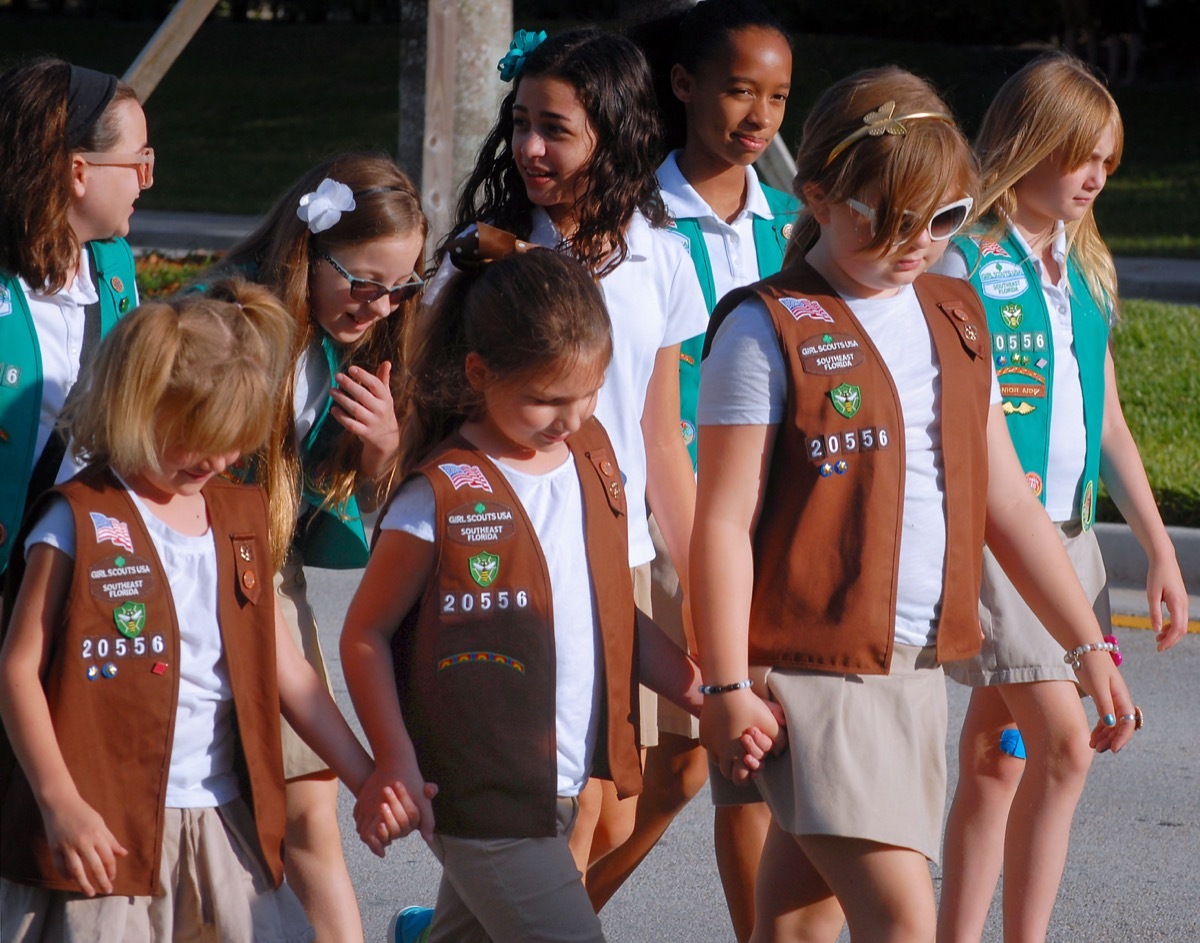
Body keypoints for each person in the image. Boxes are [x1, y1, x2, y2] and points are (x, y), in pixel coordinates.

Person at [691, 66, 1137, 943]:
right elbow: (721, 523)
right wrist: (726, 684)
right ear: (817, 195)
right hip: (815, 676)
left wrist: (1086, 645)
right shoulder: (764, 327)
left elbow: (1008, 500)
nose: (919, 244)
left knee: (797, 925)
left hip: (914, 670)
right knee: (902, 919)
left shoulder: (955, 313)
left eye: (943, 220)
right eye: (892, 222)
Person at [341, 245, 753, 943]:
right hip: (480, 793)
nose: (570, 416)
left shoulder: (591, 459)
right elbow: (364, 633)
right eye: (546, 399)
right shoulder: (437, 495)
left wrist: (706, 693)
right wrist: (393, 758)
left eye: (588, 394)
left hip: (557, 784)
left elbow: (614, 618)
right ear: (479, 373)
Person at [0, 282, 392, 943]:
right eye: (197, 441)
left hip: (221, 820)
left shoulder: (237, 519)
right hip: (107, 829)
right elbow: (17, 672)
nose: (216, 461)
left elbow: (289, 674)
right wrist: (60, 802)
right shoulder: (79, 520)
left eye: (233, 443)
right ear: (137, 407)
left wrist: (367, 775)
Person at [434, 26, 708, 875]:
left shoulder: (662, 259)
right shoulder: (487, 254)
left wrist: (707, 589)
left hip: (620, 553)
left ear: (615, 130)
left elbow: (662, 440)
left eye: (554, 127)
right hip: (524, 548)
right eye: (519, 122)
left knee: (619, 813)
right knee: (572, 808)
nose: (527, 147)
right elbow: (439, 402)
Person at [934, 53, 1189, 943]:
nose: (1093, 178)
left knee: (994, 759)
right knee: (1066, 744)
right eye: (1079, 155)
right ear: (1026, 142)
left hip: (1075, 537)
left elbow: (1110, 419)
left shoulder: (1079, 266)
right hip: (1003, 538)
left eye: (1107, 164)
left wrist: (1157, 549)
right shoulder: (964, 258)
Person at [587, 2, 798, 935]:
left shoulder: (793, 226)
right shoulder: (632, 219)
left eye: (779, 98)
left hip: (773, 524)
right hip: (667, 521)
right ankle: (504, 922)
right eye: (739, 90)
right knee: (647, 774)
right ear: (683, 85)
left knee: (732, 774)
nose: (758, 116)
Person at [204, 152, 427, 943]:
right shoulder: (226, 333)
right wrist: (379, 777)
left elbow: (371, 515)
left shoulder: (353, 340)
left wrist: (381, 454)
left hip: (264, 563)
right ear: (309, 248)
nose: (382, 304)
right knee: (204, 822)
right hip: (200, 569)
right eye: (366, 280)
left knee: (307, 802)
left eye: (402, 287)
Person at [0, 57, 145, 593]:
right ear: (79, 172)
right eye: (139, 161)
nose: (148, 179)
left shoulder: (113, 267)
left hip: (79, 570)